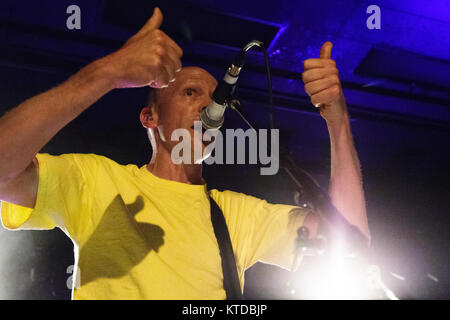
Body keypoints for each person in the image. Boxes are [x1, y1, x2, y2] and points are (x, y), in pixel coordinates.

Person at [0, 7, 370, 299]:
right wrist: (109, 72)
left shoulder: (235, 216)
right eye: (190, 93)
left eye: (217, 100)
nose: (210, 109)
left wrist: (337, 122)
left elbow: (351, 244)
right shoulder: (96, 180)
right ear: (150, 117)